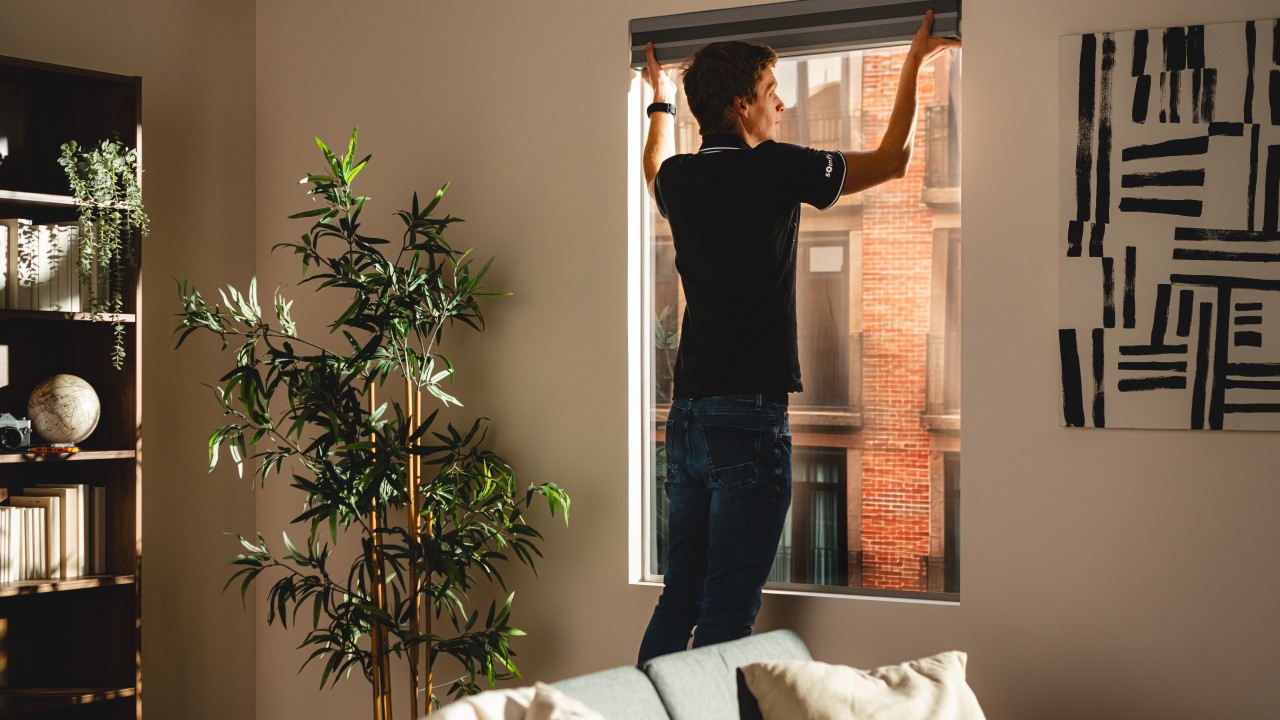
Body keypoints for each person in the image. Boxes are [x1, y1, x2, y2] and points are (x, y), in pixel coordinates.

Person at [636, 11, 960, 664]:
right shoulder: (776, 168)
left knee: (680, 598)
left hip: (690, 417)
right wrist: (914, 61)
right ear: (740, 105)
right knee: (727, 613)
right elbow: (894, 160)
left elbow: (653, 164)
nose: (781, 103)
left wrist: (659, 101)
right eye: (770, 92)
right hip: (746, 422)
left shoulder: (681, 180)